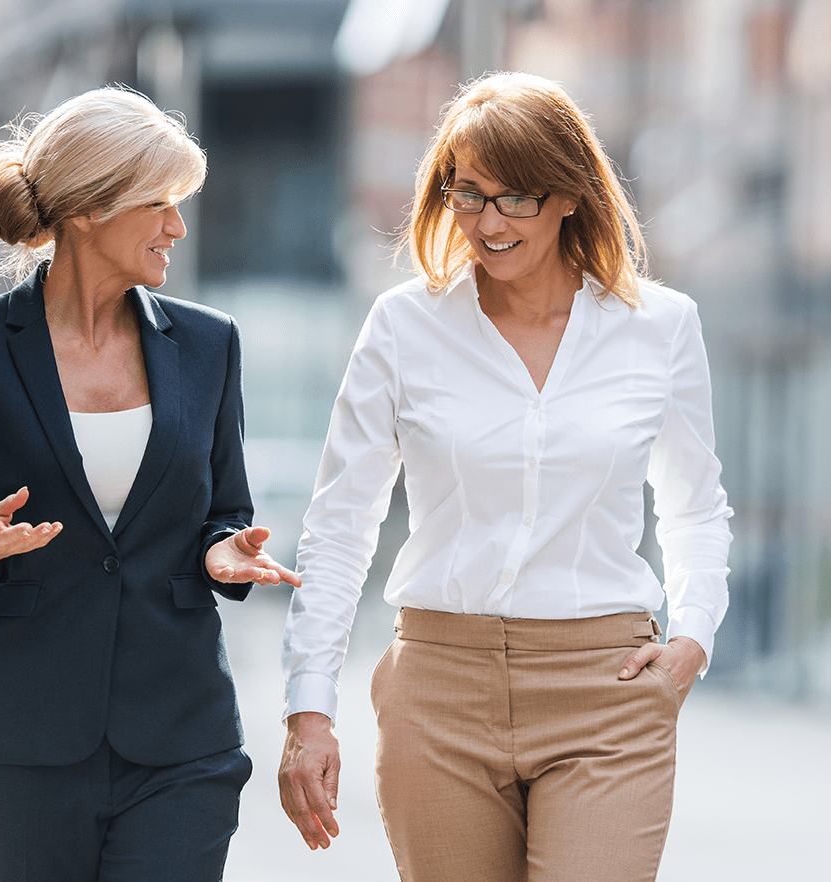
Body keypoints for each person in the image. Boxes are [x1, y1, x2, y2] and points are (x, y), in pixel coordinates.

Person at [277, 71, 732, 882]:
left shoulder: (659, 328)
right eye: (467, 194)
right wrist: (309, 709)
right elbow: (340, 522)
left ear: (568, 196)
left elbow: (696, 505)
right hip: (439, 687)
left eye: (515, 197)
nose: (487, 224)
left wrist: (693, 637)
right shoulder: (404, 326)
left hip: (605, 688)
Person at [0, 85, 299, 882]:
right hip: (22, 743)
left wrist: (222, 554)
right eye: (159, 203)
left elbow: (224, 511)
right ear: (87, 209)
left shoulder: (210, 345)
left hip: (183, 740)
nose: (178, 226)